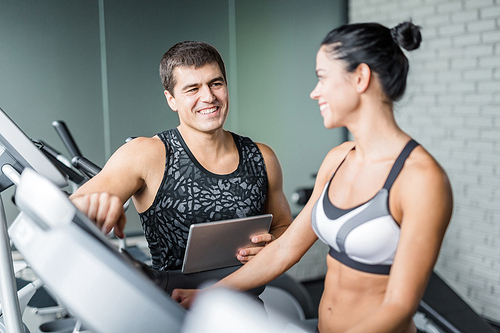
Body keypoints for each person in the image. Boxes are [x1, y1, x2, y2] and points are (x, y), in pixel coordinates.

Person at [171, 22, 453, 333]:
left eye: (322, 78)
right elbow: (285, 249)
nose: (314, 92)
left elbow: (399, 306)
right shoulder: (339, 159)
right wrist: (210, 294)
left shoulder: (421, 178)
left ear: (360, 78)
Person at [70, 41, 292, 272]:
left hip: (243, 302)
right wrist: (93, 206)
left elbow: (283, 226)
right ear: (171, 99)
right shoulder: (146, 154)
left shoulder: (261, 157)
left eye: (215, 84)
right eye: (193, 89)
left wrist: (271, 245)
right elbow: (66, 212)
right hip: (173, 303)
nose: (208, 97)